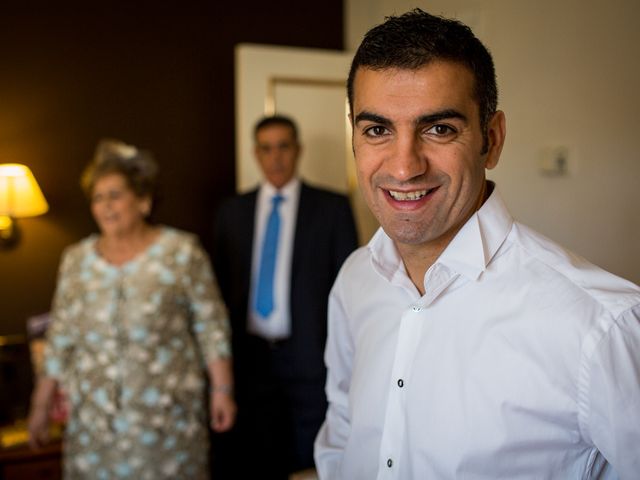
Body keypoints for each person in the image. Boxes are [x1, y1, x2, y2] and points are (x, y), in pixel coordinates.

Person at [314, 9, 640, 480]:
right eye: (378, 130)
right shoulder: (354, 280)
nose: (404, 168)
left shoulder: (603, 327)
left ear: (492, 138)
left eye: (439, 128)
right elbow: (342, 429)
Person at [27, 139, 236, 479]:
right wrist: (40, 406)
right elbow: (61, 336)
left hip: (168, 425)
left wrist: (223, 391)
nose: (105, 206)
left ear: (143, 200)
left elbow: (211, 326)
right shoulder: (76, 261)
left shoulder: (181, 252)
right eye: (97, 197)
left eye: (115, 195)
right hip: (95, 426)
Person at [211, 115, 358, 478]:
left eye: (283, 147)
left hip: (310, 361)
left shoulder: (332, 208)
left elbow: (350, 290)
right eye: (266, 148)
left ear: (298, 151)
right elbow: (217, 291)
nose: (275, 157)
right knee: (256, 462)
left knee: (313, 464)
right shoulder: (232, 212)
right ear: (255, 154)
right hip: (250, 362)